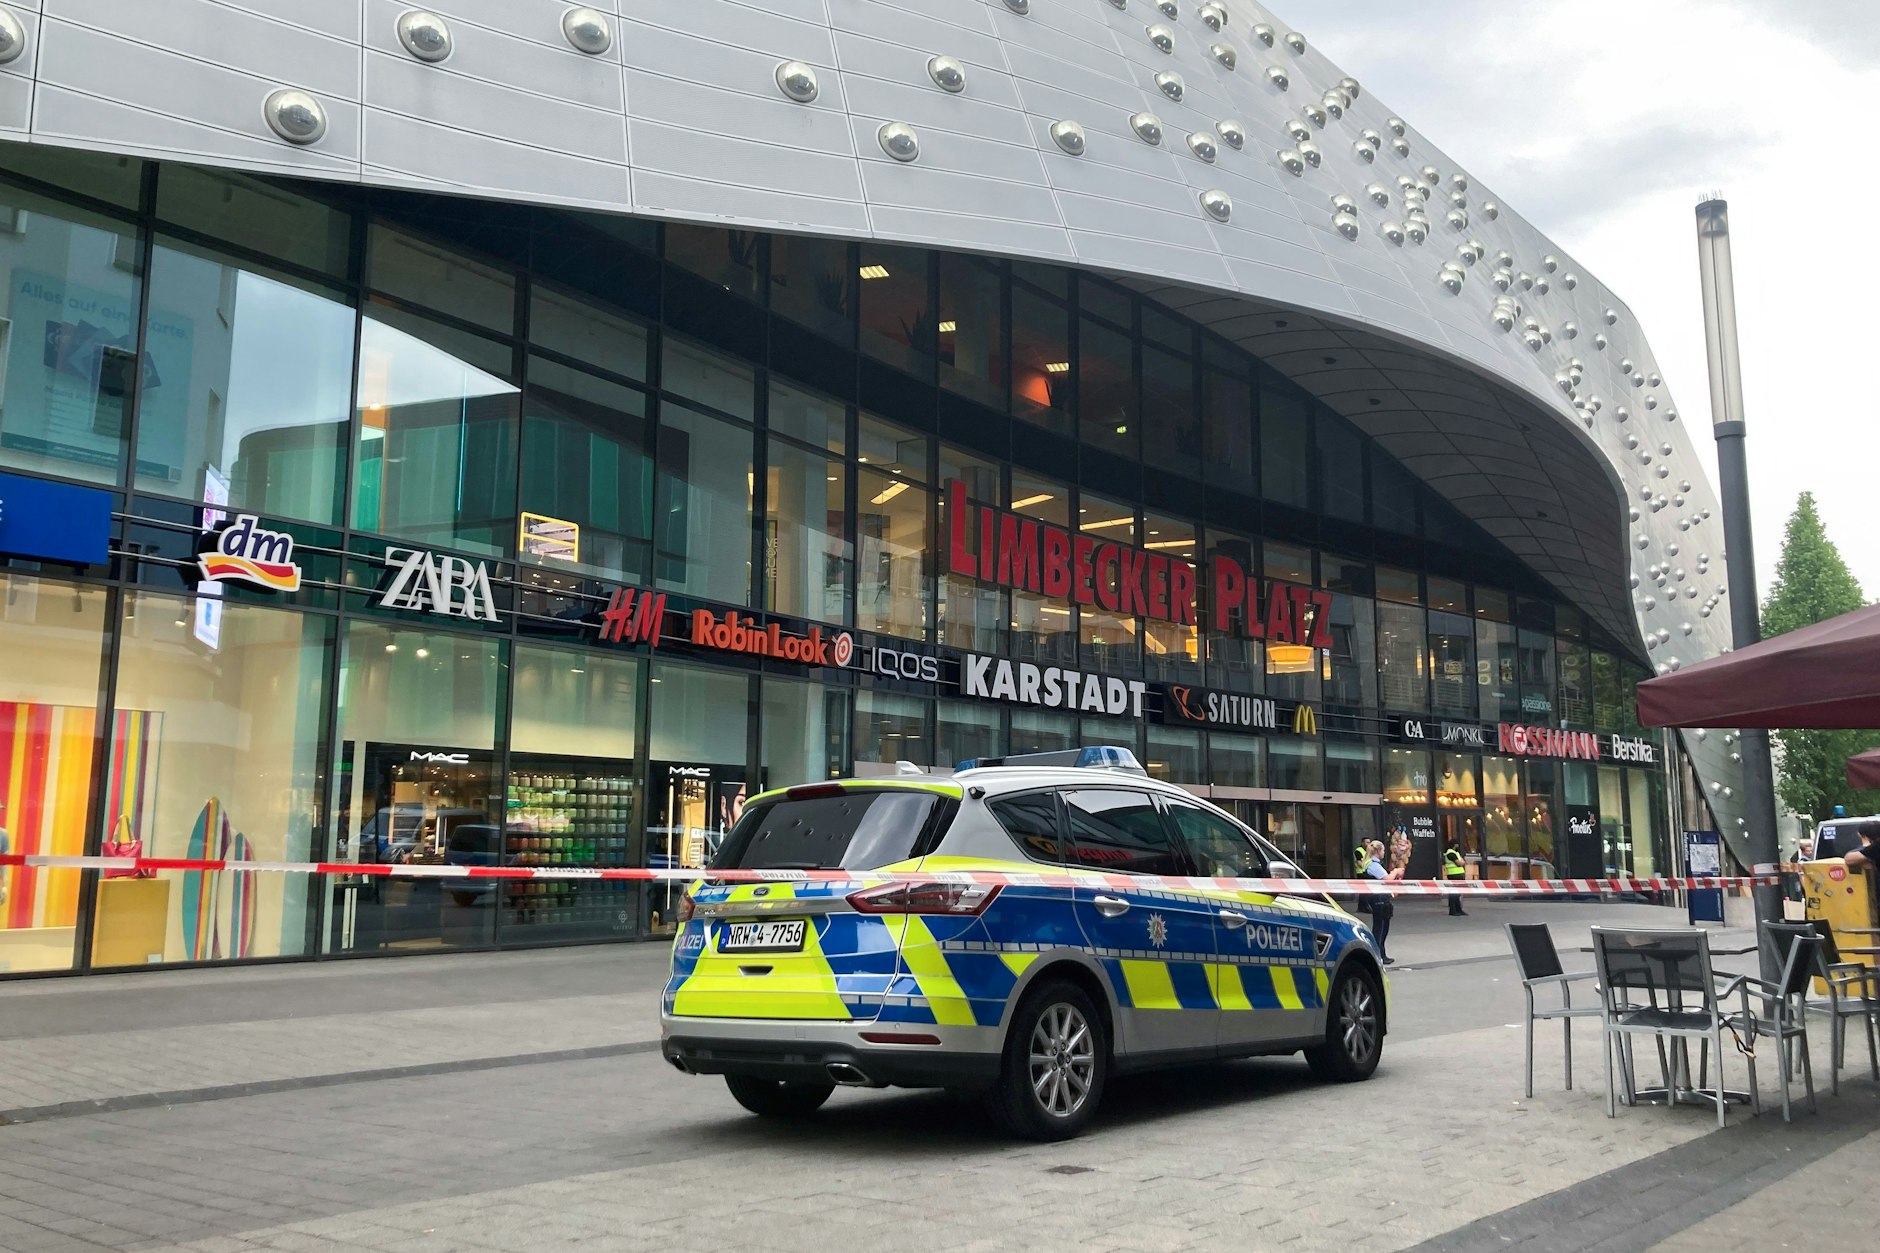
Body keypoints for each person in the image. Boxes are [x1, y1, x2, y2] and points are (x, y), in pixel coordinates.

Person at [1362, 838, 1402, 964]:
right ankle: (1378, 954)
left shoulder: (1373, 864)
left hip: (1379, 897)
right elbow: (1387, 879)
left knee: (1382, 926)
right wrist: (1395, 872)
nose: (1385, 852)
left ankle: (1381, 953)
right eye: (1383, 850)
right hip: (1379, 898)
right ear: (1378, 851)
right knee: (1380, 928)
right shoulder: (1373, 865)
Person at [1443, 844, 1468, 916]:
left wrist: (1462, 863)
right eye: (1457, 845)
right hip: (1453, 875)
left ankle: (1458, 909)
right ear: (1454, 845)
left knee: (1458, 893)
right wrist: (1462, 863)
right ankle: (1453, 910)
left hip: (1459, 874)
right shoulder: (1450, 853)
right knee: (1454, 893)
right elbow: (1459, 863)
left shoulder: (1456, 853)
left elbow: (1463, 862)